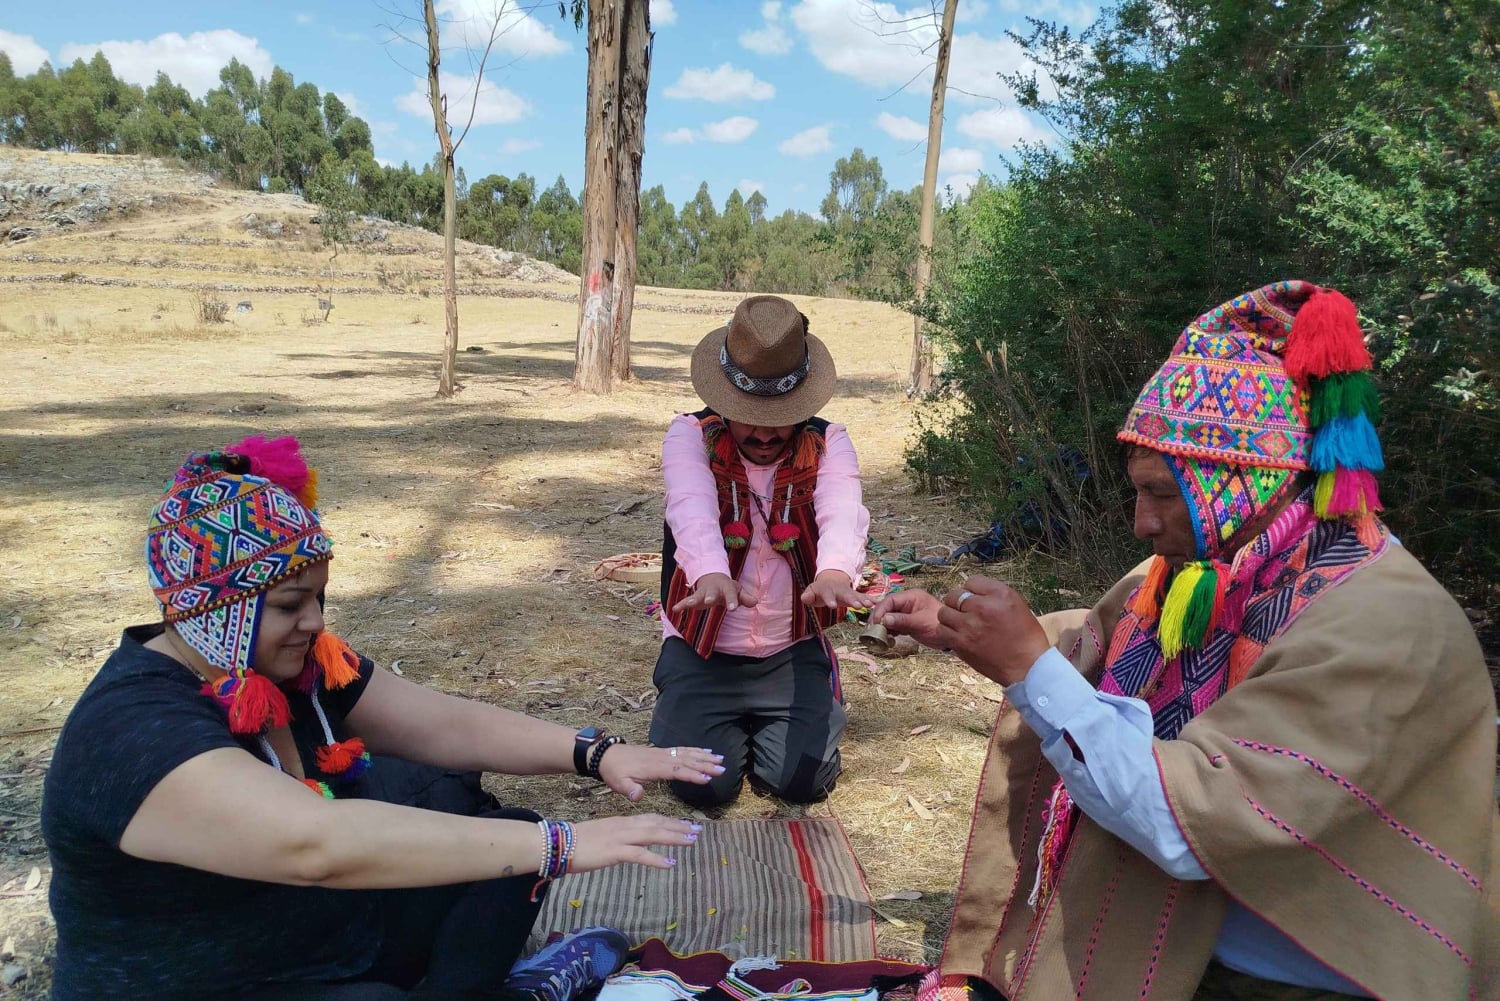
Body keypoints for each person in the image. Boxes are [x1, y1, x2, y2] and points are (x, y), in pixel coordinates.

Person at [874, 281, 1499, 1000]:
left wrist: (1025, 664)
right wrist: (954, 626)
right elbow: (1097, 641)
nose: (1141, 522)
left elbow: (1181, 828)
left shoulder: (1382, 622)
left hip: (1312, 972)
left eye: (1162, 495)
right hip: (1211, 935)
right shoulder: (1222, 572)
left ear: (1245, 481)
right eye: (1138, 493)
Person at [41, 435, 726, 1001]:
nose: (315, 621)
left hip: (317, 939)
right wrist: (562, 845)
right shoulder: (133, 727)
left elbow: (442, 726)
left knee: (503, 843)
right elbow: (314, 843)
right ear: (214, 608)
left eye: (318, 598)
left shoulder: (294, 667)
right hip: (213, 982)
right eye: (290, 604)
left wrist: (596, 752)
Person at [649, 295, 871, 807]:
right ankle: (692, 705)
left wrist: (837, 572)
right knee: (703, 789)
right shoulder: (689, 435)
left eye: (782, 416)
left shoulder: (830, 442)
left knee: (801, 784)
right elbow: (691, 504)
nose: (767, 433)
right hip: (702, 648)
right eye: (751, 416)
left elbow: (843, 504)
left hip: (789, 646)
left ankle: (806, 700)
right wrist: (708, 573)